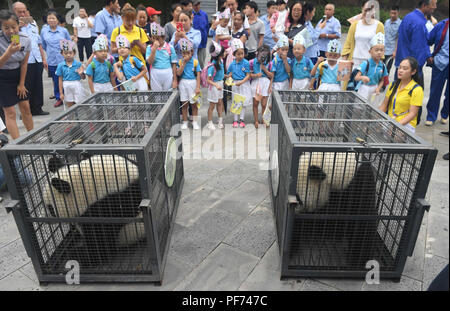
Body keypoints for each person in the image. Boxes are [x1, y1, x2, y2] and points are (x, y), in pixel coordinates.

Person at [396, 0, 437, 125]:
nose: (435, 7)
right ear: (425, 6)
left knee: (399, 97)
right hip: (412, 69)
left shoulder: (408, 17)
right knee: (414, 99)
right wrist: (424, 61)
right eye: (433, 5)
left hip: (401, 64)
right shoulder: (419, 23)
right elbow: (419, 48)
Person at [0, 10, 33, 140]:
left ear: (18, 24)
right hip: (2, 76)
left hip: (19, 74)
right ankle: (18, 144)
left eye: (14, 27)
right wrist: (8, 52)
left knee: (26, 108)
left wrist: (21, 83)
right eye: (6, 28)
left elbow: (24, 63)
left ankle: (33, 138)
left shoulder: (25, 40)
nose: (11, 31)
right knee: (10, 112)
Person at [13, 1, 48, 116]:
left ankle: (37, 108)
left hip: (37, 59)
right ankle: (26, 112)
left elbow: (39, 43)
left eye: (24, 11)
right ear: (14, 12)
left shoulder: (33, 24)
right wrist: (18, 27)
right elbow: (13, 44)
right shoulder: (12, 27)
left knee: (38, 84)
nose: (23, 14)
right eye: (20, 12)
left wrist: (43, 59)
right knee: (26, 86)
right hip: (23, 61)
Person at [379, 57, 424, 133]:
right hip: (390, 120)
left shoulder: (417, 89)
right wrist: (377, 119)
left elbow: (412, 114)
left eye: (405, 68)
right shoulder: (393, 84)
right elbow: (384, 105)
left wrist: (396, 126)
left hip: (406, 124)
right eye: (399, 67)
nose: (400, 70)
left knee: (394, 135)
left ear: (413, 72)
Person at [40, 10, 71, 108]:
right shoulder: (44, 31)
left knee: (66, 78)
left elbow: (68, 44)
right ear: (47, 20)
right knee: (56, 80)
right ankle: (59, 98)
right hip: (52, 60)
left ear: (57, 20)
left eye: (53, 18)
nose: (51, 20)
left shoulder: (63, 31)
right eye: (49, 18)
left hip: (63, 59)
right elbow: (43, 45)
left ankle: (69, 96)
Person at [342, 1, 384, 70]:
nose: (368, 12)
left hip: (370, 62)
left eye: (370, 10)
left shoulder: (379, 26)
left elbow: (381, 47)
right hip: (354, 61)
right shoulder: (354, 25)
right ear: (362, 9)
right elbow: (348, 44)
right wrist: (344, 61)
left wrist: (380, 65)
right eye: (366, 10)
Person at [425, 17, 449, 126]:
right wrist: (429, 55)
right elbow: (427, 40)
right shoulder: (442, 25)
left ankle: (445, 114)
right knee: (435, 92)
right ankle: (431, 116)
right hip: (440, 62)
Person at [226, 38, 252, 128]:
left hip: (243, 84)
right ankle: (235, 120)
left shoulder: (246, 63)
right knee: (235, 102)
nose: (241, 56)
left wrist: (242, 82)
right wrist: (226, 77)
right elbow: (229, 73)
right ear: (234, 54)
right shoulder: (232, 64)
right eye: (238, 54)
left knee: (243, 103)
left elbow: (248, 75)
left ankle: (241, 119)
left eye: (242, 54)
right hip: (235, 85)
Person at [354, 33, 388, 101]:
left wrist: (378, 88)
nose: (379, 52)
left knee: (371, 107)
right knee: (360, 107)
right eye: (376, 50)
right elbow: (356, 77)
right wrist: (362, 77)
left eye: (381, 50)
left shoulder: (383, 66)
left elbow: (382, 80)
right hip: (364, 88)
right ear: (370, 51)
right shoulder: (366, 64)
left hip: (374, 88)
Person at [177, 38, 202, 130]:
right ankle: (185, 122)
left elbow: (198, 74)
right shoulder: (180, 61)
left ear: (192, 52)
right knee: (184, 104)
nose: (186, 55)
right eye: (184, 53)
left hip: (192, 83)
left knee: (194, 104)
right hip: (183, 83)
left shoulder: (195, 62)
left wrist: (198, 87)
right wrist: (183, 63)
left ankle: (194, 121)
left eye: (188, 53)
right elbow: (178, 73)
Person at [146, 23, 178, 91]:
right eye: (154, 38)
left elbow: (174, 64)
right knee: (157, 95)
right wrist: (154, 49)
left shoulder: (170, 47)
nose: (155, 41)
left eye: (158, 38)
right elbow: (149, 62)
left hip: (168, 73)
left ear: (163, 37)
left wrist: (175, 80)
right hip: (155, 73)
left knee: (167, 94)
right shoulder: (149, 48)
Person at [56, 40, 85, 109]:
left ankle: (79, 119)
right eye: (66, 53)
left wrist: (81, 73)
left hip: (77, 85)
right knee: (69, 104)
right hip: (66, 86)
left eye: (70, 53)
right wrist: (61, 93)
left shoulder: (78, 64)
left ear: (74, 53)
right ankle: (72, 119)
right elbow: (60, 79)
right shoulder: (60, 65)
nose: (68, 55)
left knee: (79, 104)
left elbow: (83, 77)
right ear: (62, 54)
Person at [250, 44, 273, 129]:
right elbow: (249, 74)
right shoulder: (252, 62)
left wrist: (264, 69)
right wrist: (255, 75)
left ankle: (264, 119)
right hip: (256, 83)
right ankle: (256, 120)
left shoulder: (270, 63)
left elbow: (272, 76)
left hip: (265, 83)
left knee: (264, 104)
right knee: (255, 103)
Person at [206, 41, 225, 130]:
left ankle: (220, 120)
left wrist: (227, 76)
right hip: (214, 87)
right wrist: (216, 85)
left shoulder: (221, 61)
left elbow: (221, 74)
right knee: (212, 105)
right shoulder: (212, 66)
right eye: (223, 52)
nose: (224, 53)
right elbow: (208, 80)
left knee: (220, 103)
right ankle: (209, 122)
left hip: (220, 84)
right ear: (219, 55)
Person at [384, 6, 402, 75]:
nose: (392, 15)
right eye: (391, 13)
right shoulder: (387, 22)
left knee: (387, 70)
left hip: (391, 51)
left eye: (394, 13)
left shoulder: (400, 24)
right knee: (380, 69)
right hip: (383, 49)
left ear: (398, 13)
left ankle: (383, 85)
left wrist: (395, 51)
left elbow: (398, 39)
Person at [192, 1, 209, 68]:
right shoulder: (191, 15)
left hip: (202, 41)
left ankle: (201, 75)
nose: (197, 6)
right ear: (193, 6)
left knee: (201, 61)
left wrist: (205, 35)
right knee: (193, 61)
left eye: (198, 4)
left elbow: (207, 26)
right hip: (193, 42)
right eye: (195, 5)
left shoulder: (204, 14)